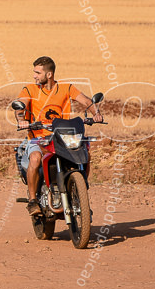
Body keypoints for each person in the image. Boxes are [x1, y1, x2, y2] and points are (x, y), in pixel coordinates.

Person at [14, 56, 103, 216]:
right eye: (34, 72)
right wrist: (21, 120)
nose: (34, 76)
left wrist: (96, 114)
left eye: (37, 72)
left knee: (84, 153)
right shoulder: (29, 90)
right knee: (35, 158)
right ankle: (33, 200)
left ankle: (80, 191)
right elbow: (21, 106)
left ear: (49, 74)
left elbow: (86, 101)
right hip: (38, 138)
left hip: (62, 136)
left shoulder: (66, 88)